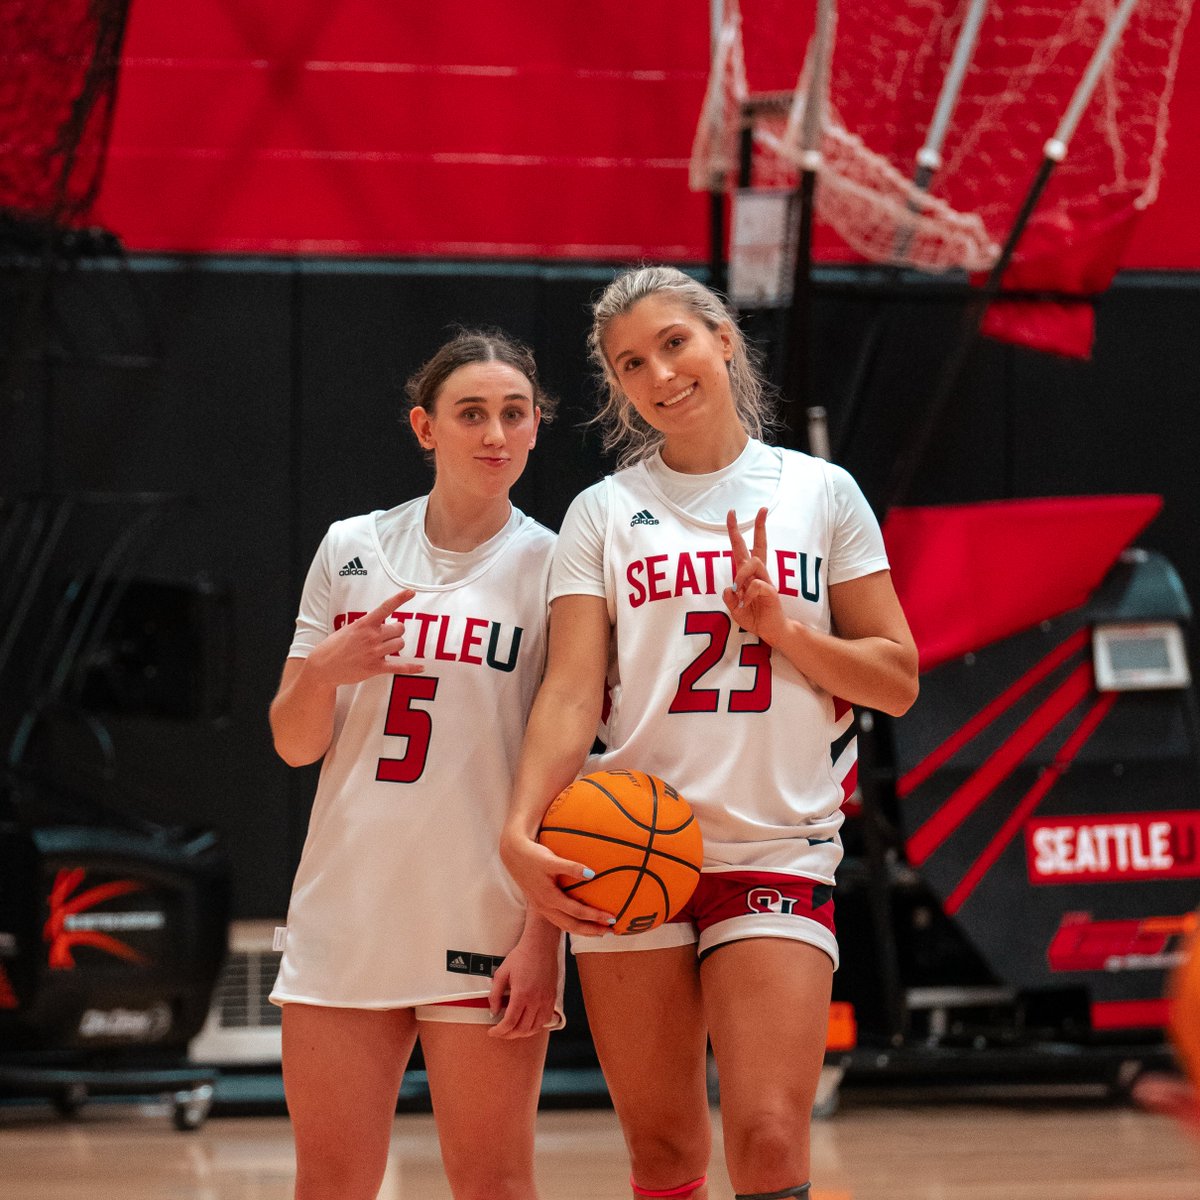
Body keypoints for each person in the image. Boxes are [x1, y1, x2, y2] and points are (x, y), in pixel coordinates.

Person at [500, 265, 919, 1200]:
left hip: (776, 841)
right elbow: (570, 693)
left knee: (768, 1137)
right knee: (662, 1152)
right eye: (631, 363)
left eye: (674, 343)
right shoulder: (602, 513)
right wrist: (520, 828)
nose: (659, 374)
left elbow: (896, 680)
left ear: (723, 341)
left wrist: (784, 630)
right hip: (629, 839)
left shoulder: (822, 493)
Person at [268, 329, 564, 1200]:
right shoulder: (349, 546)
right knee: (330, 1184)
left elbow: (568, 767)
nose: (495, 434)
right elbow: (293, 742)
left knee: (495, 1185)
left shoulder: (557, 567)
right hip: (347, 911)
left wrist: (544, 936)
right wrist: (324, 671)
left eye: (514, 413)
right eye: (471, 413)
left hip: (485, 918)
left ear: (537, 426)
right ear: (425, 427)